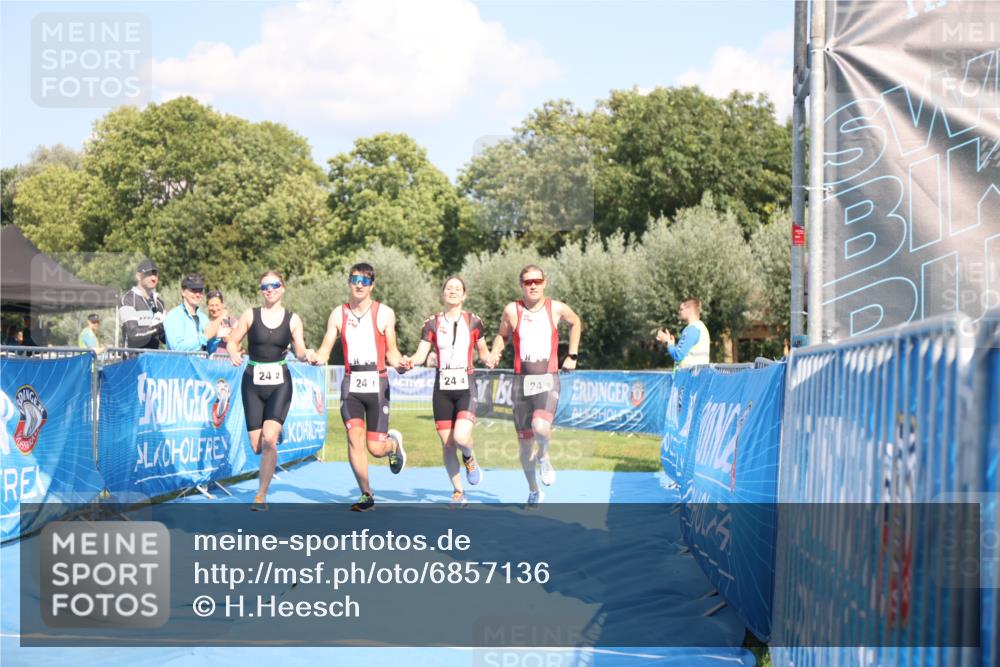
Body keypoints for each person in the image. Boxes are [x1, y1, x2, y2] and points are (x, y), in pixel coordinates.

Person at [316, 263, 407, 512]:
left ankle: (393, 444)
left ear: (372, 286)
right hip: (350, 383)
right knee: (354, 438)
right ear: (349, 282)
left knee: (376, 449)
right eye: (355, 279)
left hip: (377, 383)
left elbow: (392, 351)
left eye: (365, 281)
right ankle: (367, 494)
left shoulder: (384, 313)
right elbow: (325, 348)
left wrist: (400, 364)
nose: (359, 285)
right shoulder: (338, 314)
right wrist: (316, 356)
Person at [488, 265, 581, 508]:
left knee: (541, 427)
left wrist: (572, 354)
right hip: (521, 381)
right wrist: (496, 351)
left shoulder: (556, 308)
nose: (533, 285)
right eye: (528, 282)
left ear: (544, 282)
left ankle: (545, 455)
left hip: (548, 377)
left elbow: (576, 322)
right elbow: (502, 335)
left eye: (537, 281)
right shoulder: (512, 310)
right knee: (524, 442)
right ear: (521, 284)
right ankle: (533, 490)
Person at [227, 271, 318, 511]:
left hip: (280, 383)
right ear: (261, 290)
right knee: (257, 445)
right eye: (265, 286)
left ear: (283, 288)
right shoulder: (250, 315)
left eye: (274, 285)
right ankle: (276, 432)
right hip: (252, 382)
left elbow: (299, 349)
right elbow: (232, 340)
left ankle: (260, 496)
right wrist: (233, 351)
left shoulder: (292, 319)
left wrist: (306, 354)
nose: (270, 289)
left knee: (269, 440)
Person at [401, 276, 491, 507]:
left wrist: (490, 358)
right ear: (443, 294)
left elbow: (483, 352)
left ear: (464, 295)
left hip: (466, 386)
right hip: (442, 388)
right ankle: (458, 491)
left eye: (457, 288)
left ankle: (469, 458)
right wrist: (409, 362)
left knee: (461, 438)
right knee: (448, 443)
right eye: (448, 288)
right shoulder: (431, 323)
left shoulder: (474, 322)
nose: (452, 291)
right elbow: (420, 355)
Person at [119, 258, 165, 349]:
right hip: (133, 360)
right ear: (138, 276)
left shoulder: (159, 303)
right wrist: (158, 328)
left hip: (153, 360)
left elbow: (164, 339)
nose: (153, 278)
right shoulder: (128, 300)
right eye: (149, 274)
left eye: (155, 274)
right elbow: (133, 334)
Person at [656, 298, 710, 368]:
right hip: (699, 375)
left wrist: (668, 342)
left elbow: (678, 355)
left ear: (690, 310)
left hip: (689, 376)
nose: (679, 312)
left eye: (681, 309)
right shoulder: (702, 328)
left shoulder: (691, 330)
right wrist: (671, 344)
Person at [164, 273, 210, 351]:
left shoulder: (204, 318)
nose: (198, 294)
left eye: (200, 290)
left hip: (201, 362)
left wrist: (216, 338)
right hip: (180, 363)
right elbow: (177, 347)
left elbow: (209, 351)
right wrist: (206, 337)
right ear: (183, 292)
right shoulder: (174, 315)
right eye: (194, 290)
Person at [204, 289, 239, 356]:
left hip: (229, 363)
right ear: (207, 306)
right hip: (210, 363)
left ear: (222, 304)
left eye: (217, 305)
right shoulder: (205, 322)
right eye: (211, 305)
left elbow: (238, 344)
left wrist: (227, 336)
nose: (214, 309)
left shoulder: (232, 322)